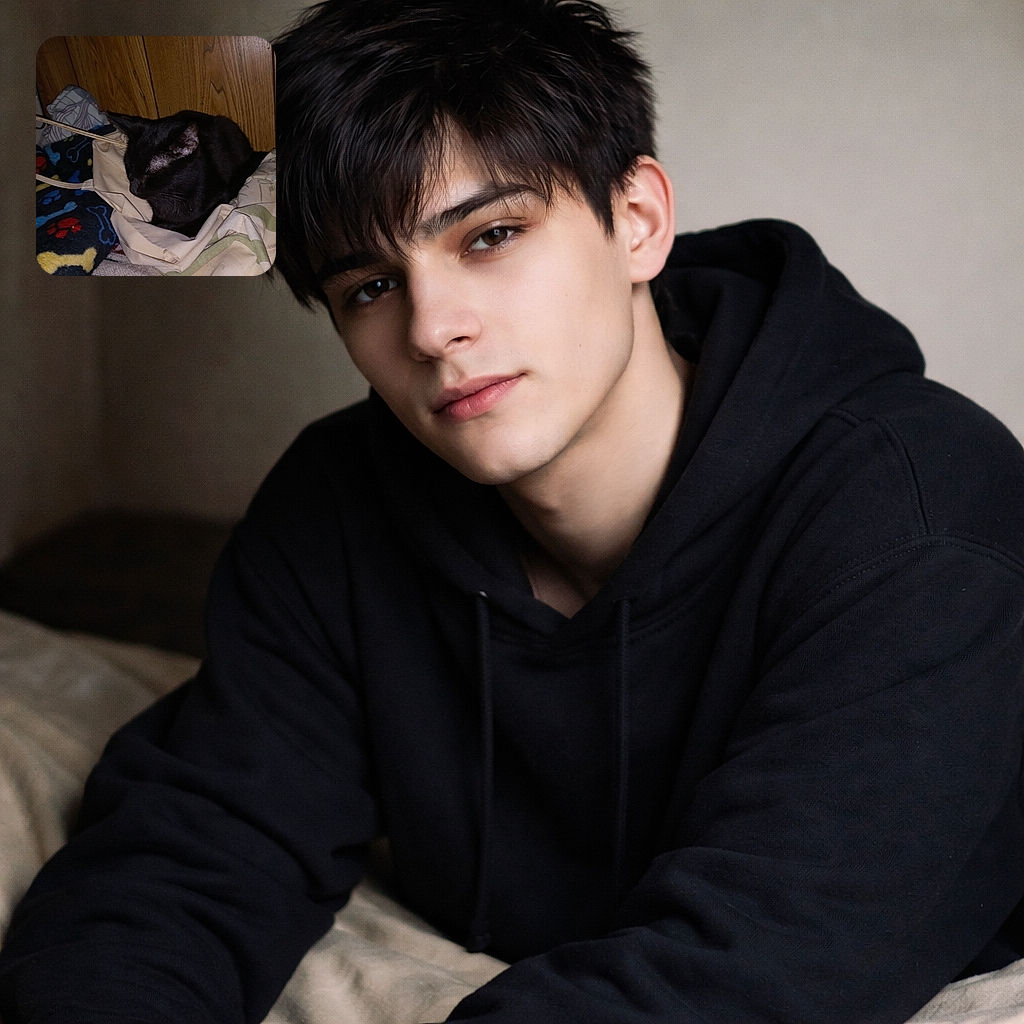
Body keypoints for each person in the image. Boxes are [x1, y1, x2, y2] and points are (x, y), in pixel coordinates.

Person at [3, 0, 1024, 1021]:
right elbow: (195, 853)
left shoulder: (919, 512)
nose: (436, 327)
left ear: (638, 220)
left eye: (489, 235)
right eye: (368, 287)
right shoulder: (338, 501)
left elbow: (752, 970)